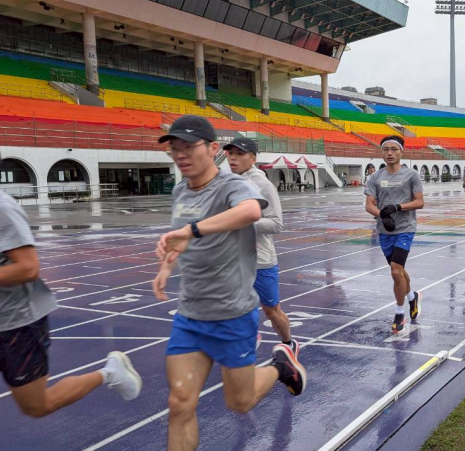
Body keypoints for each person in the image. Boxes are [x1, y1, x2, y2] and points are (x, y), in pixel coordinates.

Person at [152, 116, 306, 450]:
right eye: (174, 149)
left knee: (240, 401)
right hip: (190, 315)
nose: (180, 155)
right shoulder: (180, 190)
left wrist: (192, 230)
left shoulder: (233, 185)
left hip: (232, 314)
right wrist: (167, 264)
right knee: (180, 403)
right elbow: (181, 238)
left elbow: (251, 213)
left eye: (188, 147)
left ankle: (280, 367)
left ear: (212, 149)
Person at [0, 182, 142, 418]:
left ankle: (109, 373)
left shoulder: (2, 208)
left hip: (18, 322)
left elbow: (28, 268)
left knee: (37, 406)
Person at [225, 137, 298, 357]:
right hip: (233, 259)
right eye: (230, 154)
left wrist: (243, 221)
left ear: (253, 158)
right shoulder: (228, 182)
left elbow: (276, 224)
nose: (233, 158)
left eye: (240, 154)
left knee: (272, 311)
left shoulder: (262, 185)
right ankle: (246, 336)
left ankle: (289, 343)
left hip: (260, 259)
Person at [364, 136, 424, 334]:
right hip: (385, 230)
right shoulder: (375, 177)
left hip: (405, 228)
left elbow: (419, 202)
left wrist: (397, 207)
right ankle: (412, 297)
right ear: (382, 153)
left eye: (393, 149)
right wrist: (382, 214)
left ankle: (399, 313)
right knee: (398, 270)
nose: (389, 153)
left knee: (396, 271)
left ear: (401, 152)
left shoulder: (411, 175)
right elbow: (369, 204)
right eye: (386, 149)